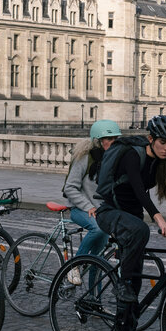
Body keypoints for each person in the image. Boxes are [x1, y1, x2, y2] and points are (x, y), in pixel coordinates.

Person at [96, 115, 166, 331]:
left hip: (131, 216)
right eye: (163, 142)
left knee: (136, 281)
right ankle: (122, 285)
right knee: (141, 232)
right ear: (151, 139)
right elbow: (138, 190)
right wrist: (158, 218)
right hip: (110, 212)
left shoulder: (164, 162)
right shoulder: (133, 155)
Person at [62, 120, 120, 284]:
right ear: (98, 140)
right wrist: (88, 206)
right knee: (98, 228)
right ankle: (74, 266)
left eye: (115, 139)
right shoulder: (85, 158)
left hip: (100, 212)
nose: (112, 142)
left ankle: (94, 297)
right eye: (108, 139)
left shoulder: (112, 159)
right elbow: (70, 187)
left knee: (98, 261)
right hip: (80, 209)